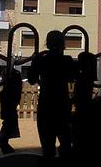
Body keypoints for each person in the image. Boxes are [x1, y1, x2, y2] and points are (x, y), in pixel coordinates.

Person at [28, 30, 78, 161]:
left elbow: (31, 79)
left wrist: (34, 62)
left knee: (47, 148)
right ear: (63, 44)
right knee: (66, 145)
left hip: (46, 104)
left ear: (47, 44)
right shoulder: (67, 60)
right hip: (62, 104)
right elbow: (74, 77)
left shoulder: (41, 60)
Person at [0, 62, 22, 154]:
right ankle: (8, 151)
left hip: (9, 104)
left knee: (8, 123)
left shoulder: (8, 92)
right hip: (10, 105)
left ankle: (8, 151)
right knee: (9, 123)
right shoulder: (11, 91)